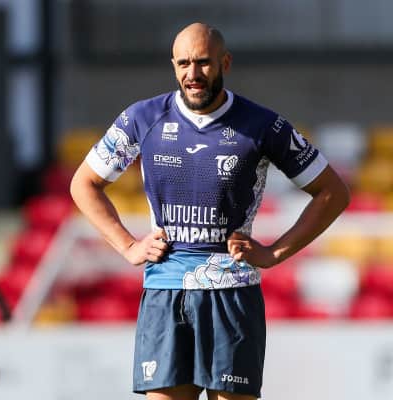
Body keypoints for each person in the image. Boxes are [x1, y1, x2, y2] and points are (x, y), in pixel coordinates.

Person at [70, 22, 350, 400]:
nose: (193, 73)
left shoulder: (263, 125)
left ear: (225, 63)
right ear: (173, 66)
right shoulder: (142, 118)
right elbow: (83, 184)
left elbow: (332, 192)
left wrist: (274, 253)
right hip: (165, 294)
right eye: (184, 63)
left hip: (232, 295)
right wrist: (128, 245)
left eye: (203, 62)